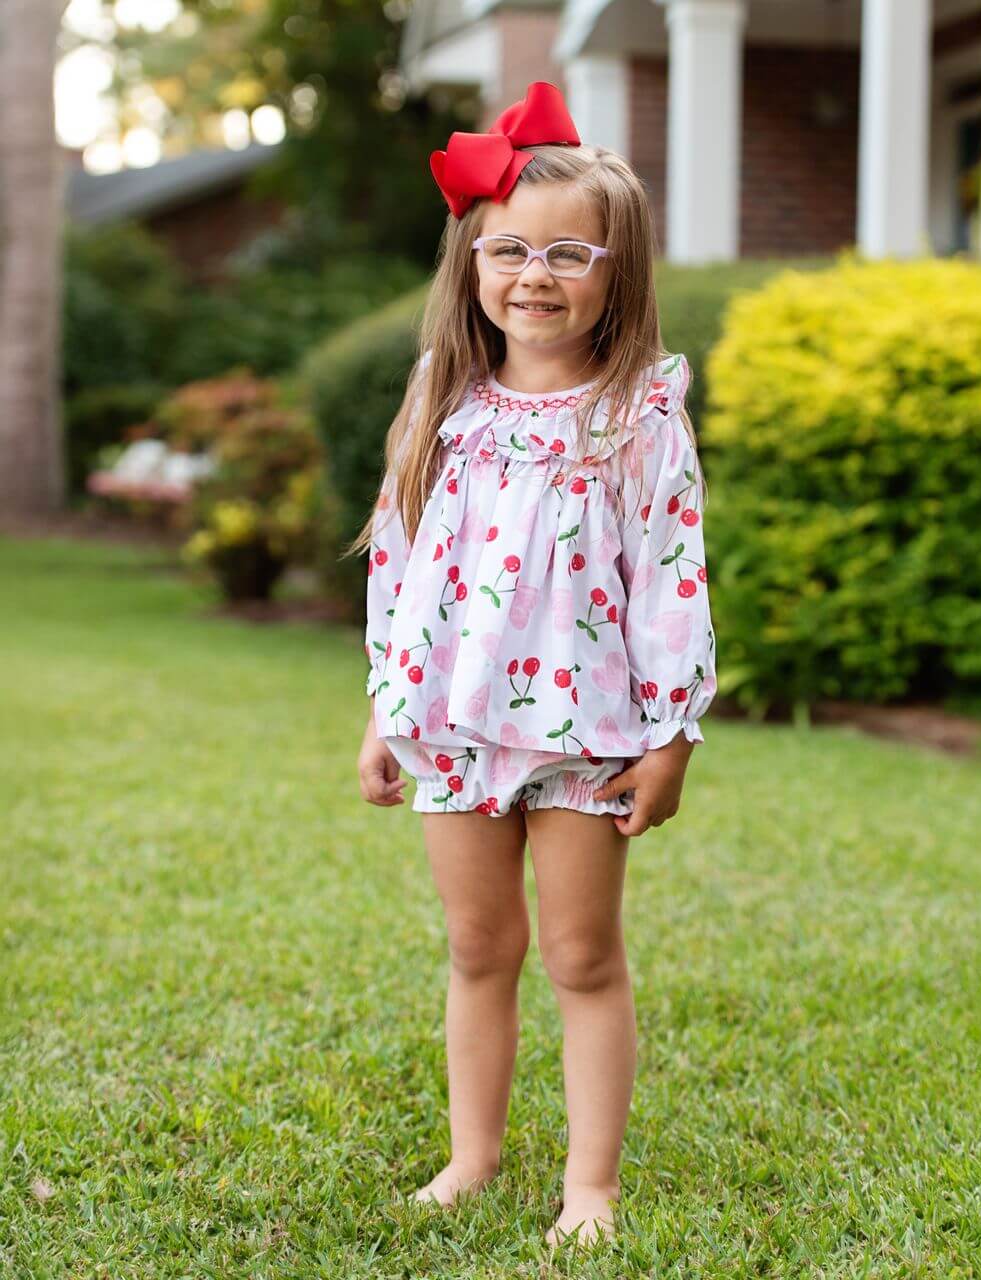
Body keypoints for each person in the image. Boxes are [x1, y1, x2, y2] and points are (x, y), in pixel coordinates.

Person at [346, 81, 717, 1248]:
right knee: (476, 943)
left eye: (568, 251)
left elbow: (670, 570)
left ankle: (590, 1184)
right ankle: (473, 1154)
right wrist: (382, 706)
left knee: (578, 951)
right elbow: (398, 557)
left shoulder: (638, 410)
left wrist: (671, 732)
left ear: (618, 271)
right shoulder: (441, 397)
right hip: (450, 717)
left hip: (586, 727)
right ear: (469, 264)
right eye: (507, 250)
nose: (535, 275)